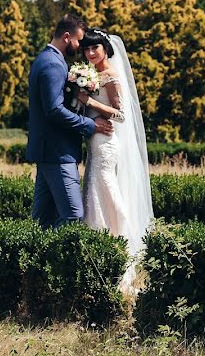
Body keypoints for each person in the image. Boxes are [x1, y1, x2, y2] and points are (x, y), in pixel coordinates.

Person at [76, 27, 154, 293]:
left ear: (105, 49)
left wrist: (92, 103)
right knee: (94, 189)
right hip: (94, 142)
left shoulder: (111, 75)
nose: (89, 53)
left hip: (107, 143)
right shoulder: (90, 75)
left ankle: (122, 240)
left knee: (104, 189)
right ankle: (100, 246)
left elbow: (121, 115)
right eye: (86, 49)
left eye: (94, 48)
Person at [26, 15, 114, 229]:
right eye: (79, 40)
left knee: (43, 219)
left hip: (49, 150)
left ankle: (37, 260)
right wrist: (90, 125)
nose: (80, 46)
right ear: (67, 37)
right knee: (73, 215)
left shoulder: (46, 59)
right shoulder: (53, 64)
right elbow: (54, 110)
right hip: (57, 151)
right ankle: (60, 262)